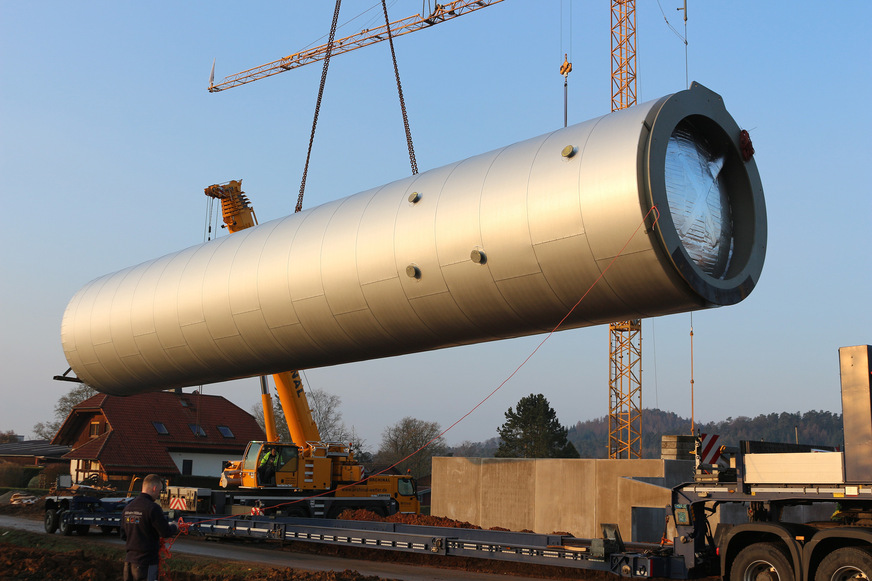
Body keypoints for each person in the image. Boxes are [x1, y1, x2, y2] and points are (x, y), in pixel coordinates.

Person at [120, 473, 178, 581]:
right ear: (154, 488)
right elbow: (165, 532)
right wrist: (175, 526)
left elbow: (123, 536)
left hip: (129, 562)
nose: (159, 495)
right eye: (159, 491)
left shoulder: (127, 508)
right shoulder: (153, 508)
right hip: (146, 563)